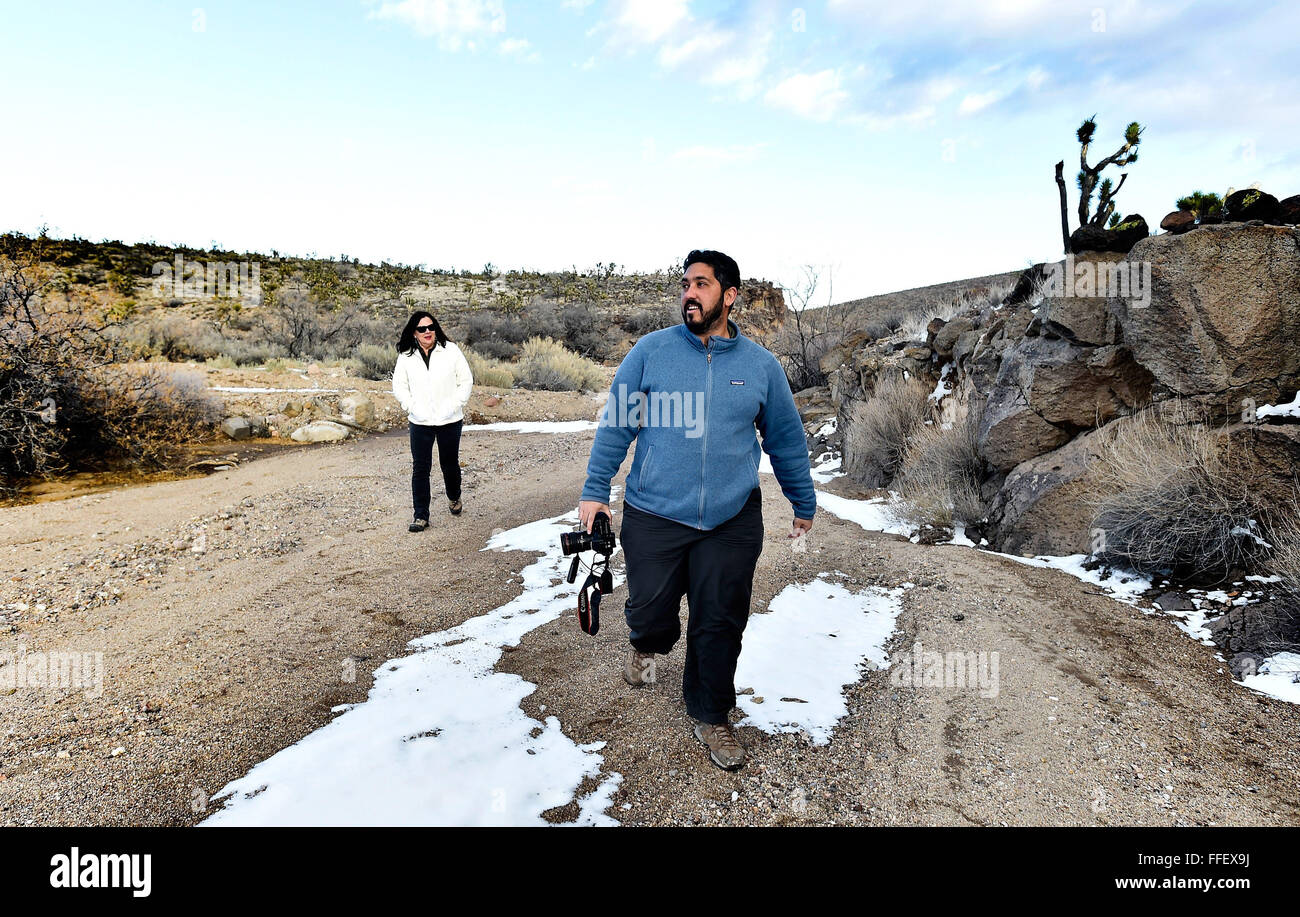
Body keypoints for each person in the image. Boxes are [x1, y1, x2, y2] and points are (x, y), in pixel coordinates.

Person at [578, 250, 815, 770]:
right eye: (685, 284)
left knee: (719, 621)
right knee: (653, 614)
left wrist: (803, 499)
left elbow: (786, 440)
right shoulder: (651, 352)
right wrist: (596, 490)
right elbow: (617, 424)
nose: (690, 293)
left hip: (730, 520)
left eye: (702, 284)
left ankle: (711, 714)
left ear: (728, 296)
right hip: (654, 512)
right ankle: (645, 643)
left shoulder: (760, 367)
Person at [392, 311, 473, 530]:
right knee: (420, 468)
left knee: (450, 465)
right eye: (422, 329)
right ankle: (421, 516)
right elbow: (399, 386)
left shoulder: (451, 351)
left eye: (431, 327)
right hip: (420, 421)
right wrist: (412, 407)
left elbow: (465, 381)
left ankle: (454, 496)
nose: (427, 332)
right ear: (414, 333)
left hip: (450, 420)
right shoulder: (406, 356)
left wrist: (453, 406)